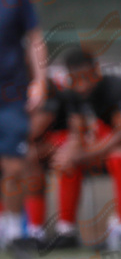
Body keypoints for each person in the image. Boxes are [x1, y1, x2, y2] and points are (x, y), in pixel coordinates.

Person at [54, 49, 121, 250]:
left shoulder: (118, 88)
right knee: (68, 162)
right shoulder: (73, 95)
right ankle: (65, 230)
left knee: (118, 157)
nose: (82, 85)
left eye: (86, 78)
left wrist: (84, 154)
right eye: (76, 80)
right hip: (111, 142)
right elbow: (78, 132)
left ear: (96, 70)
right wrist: (70, 152)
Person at [0, 0, 46, 258]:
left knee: (15, 168)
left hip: (11, 96)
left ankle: (16, 233)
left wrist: (40, 80)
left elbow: (35, 39)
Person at [24, 77, 84, 249]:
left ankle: (66, 229)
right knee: (28, 158)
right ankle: (34, 230)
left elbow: (35, 129)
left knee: (65, 160)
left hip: (63, 142)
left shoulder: (53, 90)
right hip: (35, 148)